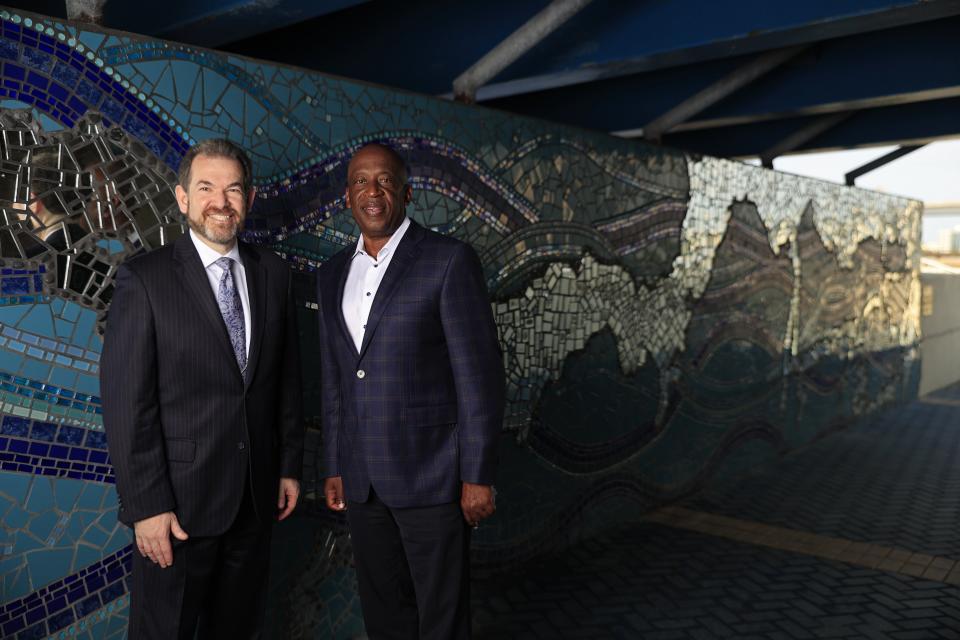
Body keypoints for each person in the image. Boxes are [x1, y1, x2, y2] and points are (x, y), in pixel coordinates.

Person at [100, 138, 304, 639]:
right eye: (206, 187)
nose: (221, 201)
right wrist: (146, 506)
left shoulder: (273, 273)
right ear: (183, 198)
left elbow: (286, 380)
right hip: (177, 511)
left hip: (254, 501)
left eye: (233, 189)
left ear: (249, 200)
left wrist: (288, 467)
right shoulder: (143, 281)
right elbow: (127, 403)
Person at [317, 143, 505, 639]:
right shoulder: (332, 272)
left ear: (407, 193)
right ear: (347, 195)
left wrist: (477, 474)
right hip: (362, 482)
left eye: (383, 181)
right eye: (360, 181)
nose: (372, 191)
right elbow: (336, 376)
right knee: (384, 613)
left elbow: (479, 377)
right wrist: (334, 463)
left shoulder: (447, 261)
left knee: (441, 617)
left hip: (434, 476)